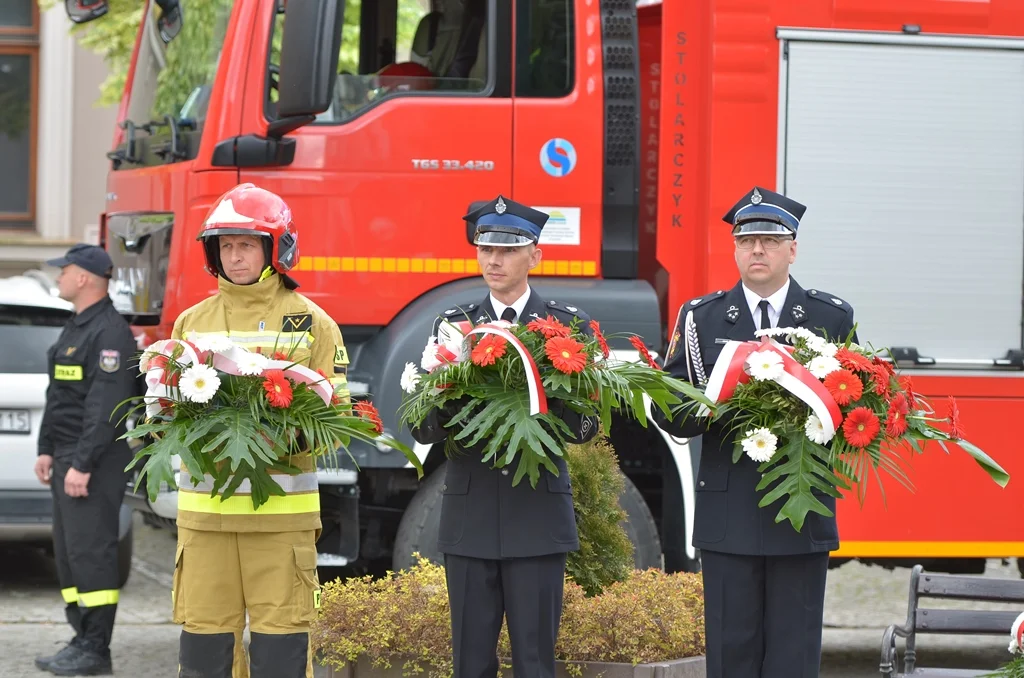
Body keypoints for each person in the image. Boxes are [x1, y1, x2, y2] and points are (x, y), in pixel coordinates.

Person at [652, 187, 857, 678]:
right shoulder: (700, 318)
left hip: (800, 509)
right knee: (731, 656)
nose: (757, 249)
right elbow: (669, 410)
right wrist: (710, 407)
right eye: (747, 240)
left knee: (794, 657)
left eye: (770, 239)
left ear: (793, 249)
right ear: (735, 249)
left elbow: (848, 410)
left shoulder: (832, 317)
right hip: (730, 513)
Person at [410, 195, 599, 678]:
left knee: (536, 663)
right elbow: (423, 426)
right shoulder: (452, 326)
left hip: (536, 516)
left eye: (509, 250)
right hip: (470, 518)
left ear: (534, 255)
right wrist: (445, 393)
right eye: (485, 248)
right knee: (469, 664)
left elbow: (586, 427)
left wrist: (545, 397)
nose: (494, 260)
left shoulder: (566, 326)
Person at [169, 183, 350, 678]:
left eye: (246, 244)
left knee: (281, 659)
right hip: (205, 525)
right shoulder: (190, 323)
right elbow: (163, 412)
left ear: (277, 248)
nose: (235, 256)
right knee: (204, 660)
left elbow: (338, 419)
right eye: (225, 245)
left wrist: (281, 435)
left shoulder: (314, 323)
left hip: (280, 525)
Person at [33, 244, 139, 676]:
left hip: (91, 463)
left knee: (92, 555)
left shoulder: (111, 333)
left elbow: (105, 409)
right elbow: (59, 396)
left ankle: (96, 648)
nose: (58, 277)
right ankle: (81, 638)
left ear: (84, 278)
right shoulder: (76, 326)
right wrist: (45, 448)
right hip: (66, 458)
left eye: (64, 271)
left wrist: (83, 464)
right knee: (71, 556)